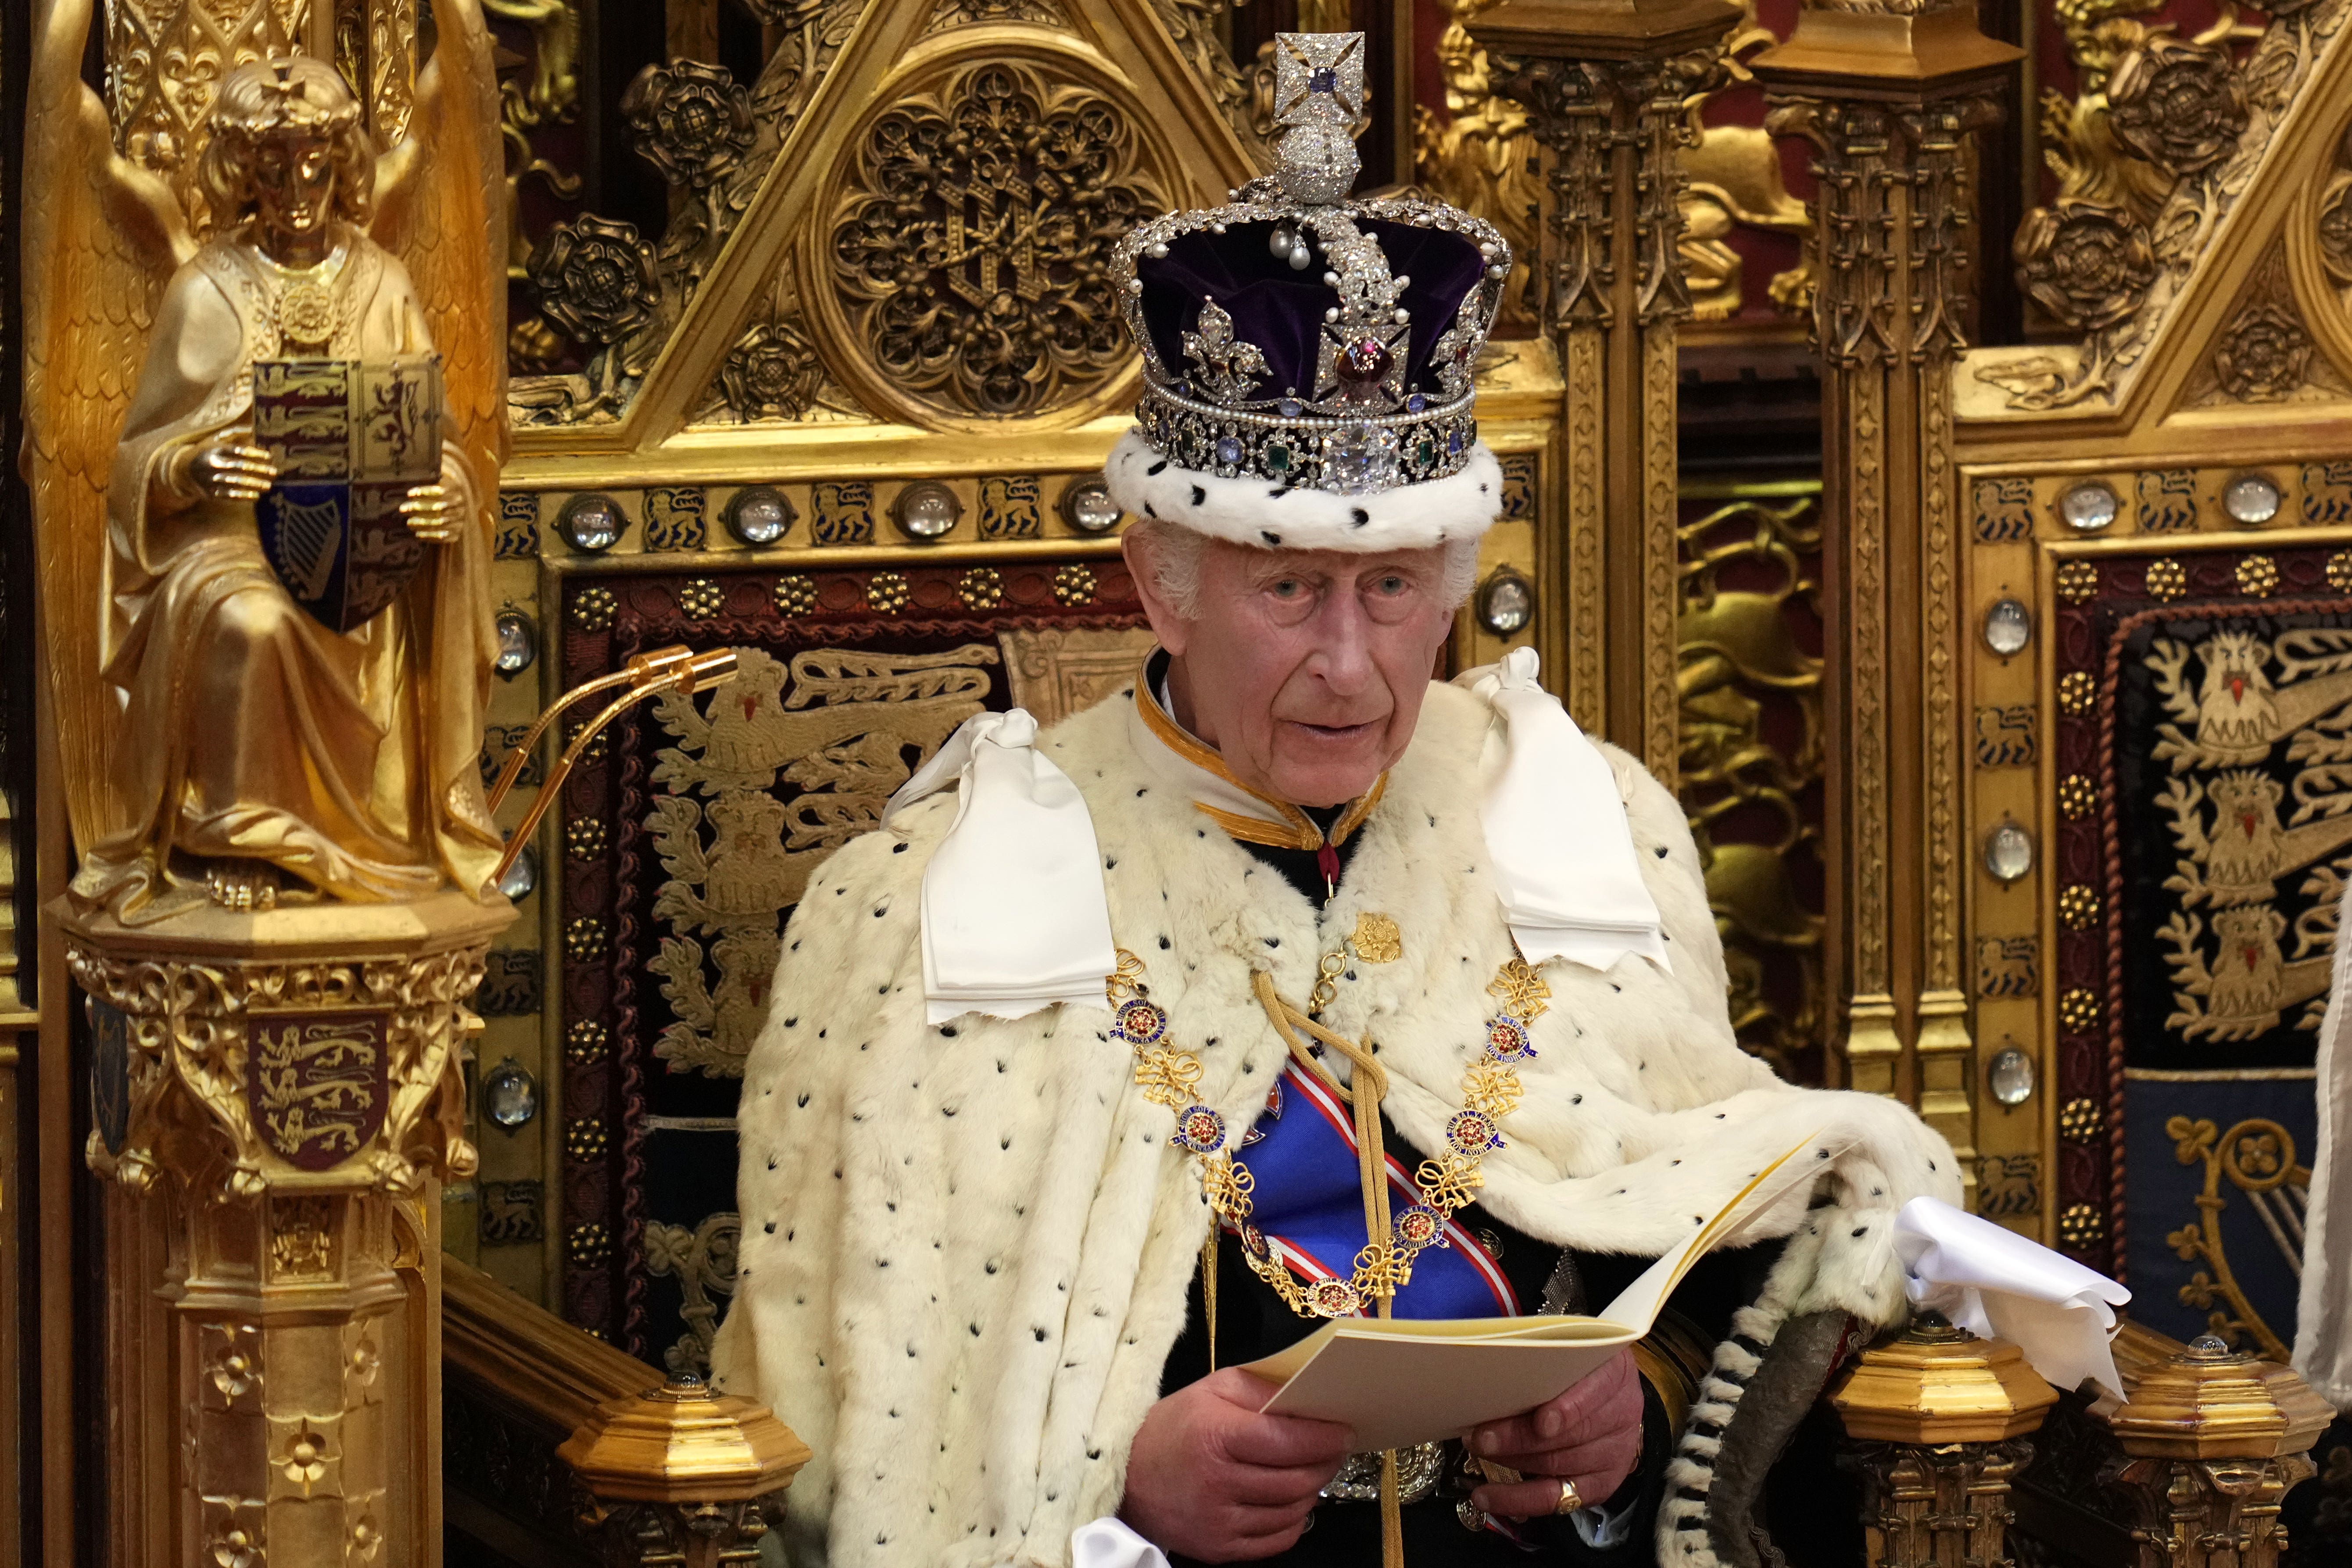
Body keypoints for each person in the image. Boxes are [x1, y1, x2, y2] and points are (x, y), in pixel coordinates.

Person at [712, 32, 1956, 1568]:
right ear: (1160, 583)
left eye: (1394, 587)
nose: (1354, 666)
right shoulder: (918, 903)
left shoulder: (1578, 820)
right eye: (1290, 588)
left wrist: (1629, 1398)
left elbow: (1704, 1209)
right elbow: (853, 1413)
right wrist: (1112, 1478)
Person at [72, 55, 501, 919]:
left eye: (314, 161)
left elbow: (437, 442)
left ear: (342, 164)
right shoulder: (206, 289)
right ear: (242, 173)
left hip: (361, 551)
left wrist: (448, 493)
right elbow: (133, 461)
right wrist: (188, 467)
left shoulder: (383, 280)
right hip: (226, 549)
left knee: (365, 614)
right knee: (253, 620)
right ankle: (243, 835)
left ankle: (376, 841)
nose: (297, 186)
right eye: (273, 167)